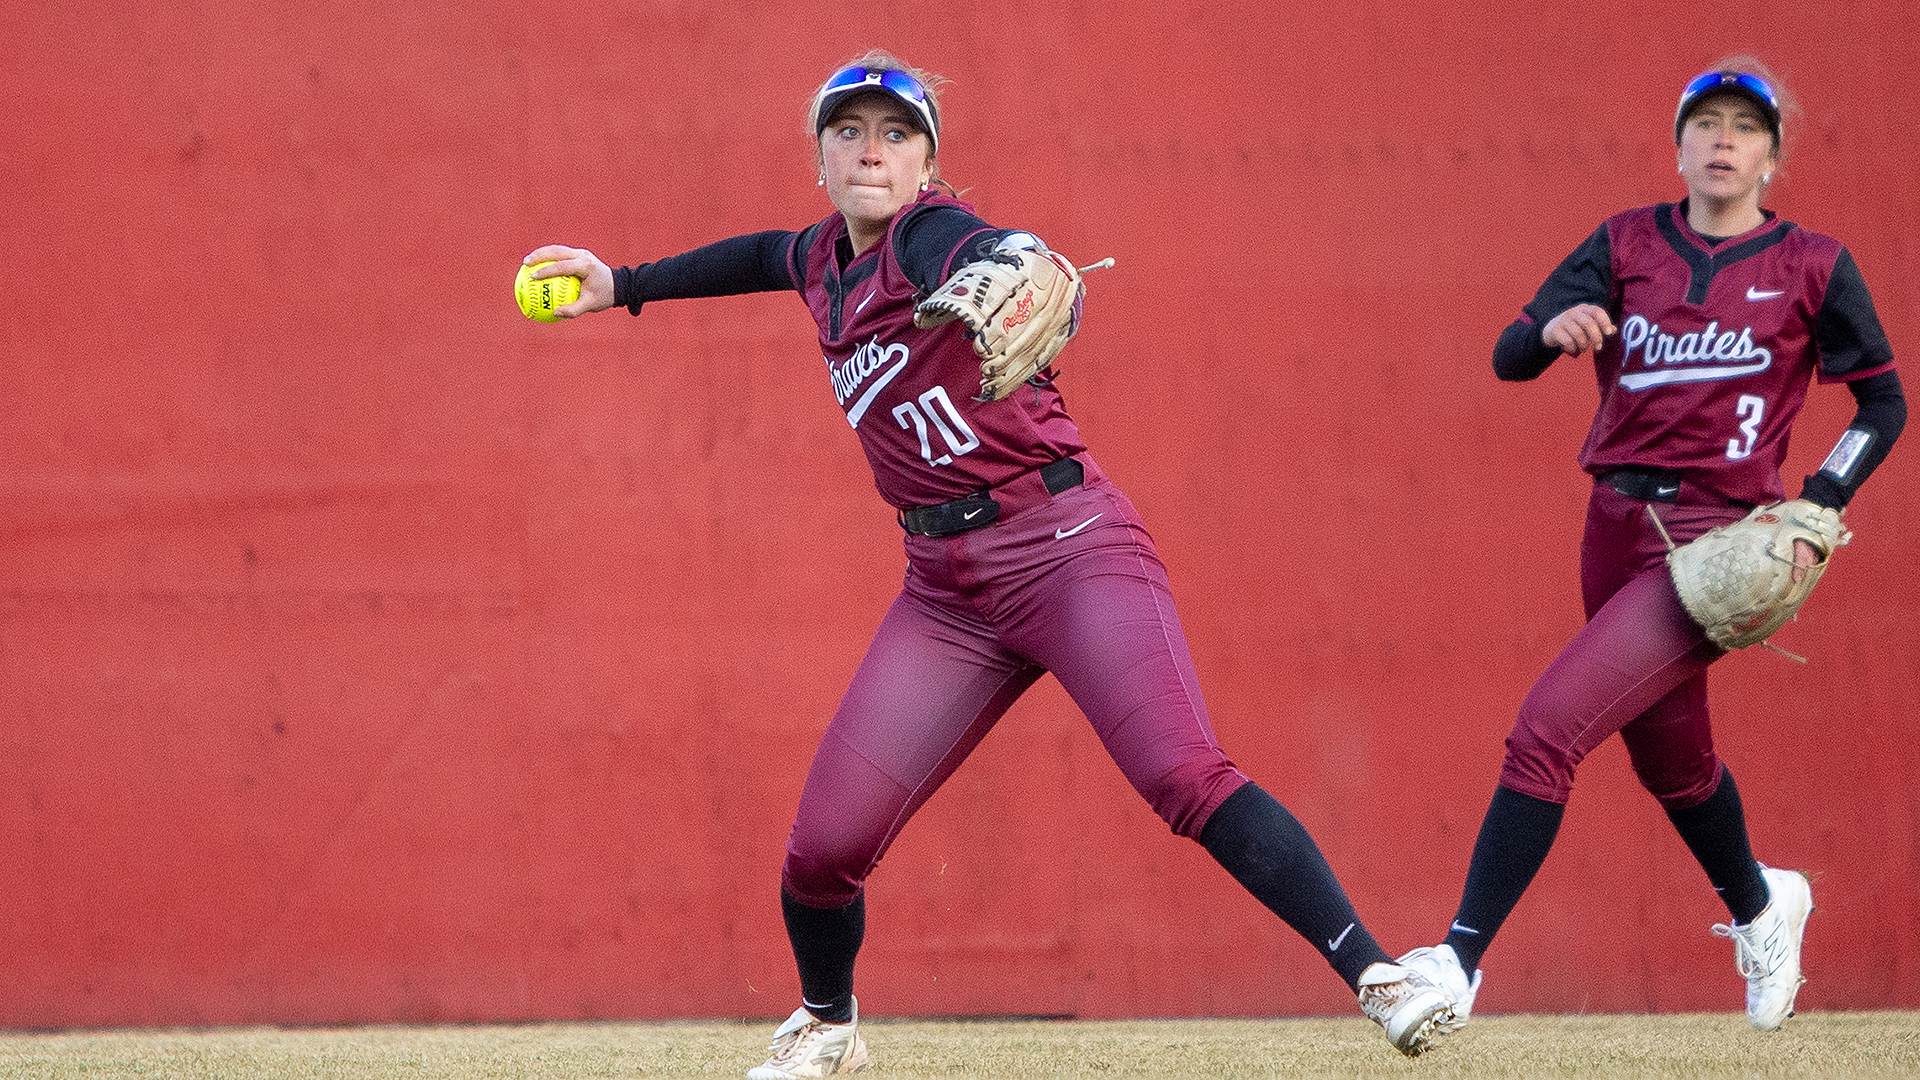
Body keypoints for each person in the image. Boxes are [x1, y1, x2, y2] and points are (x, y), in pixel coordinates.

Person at [522, 50, 1454, 1077]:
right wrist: (625, 287)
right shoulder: (816, 259)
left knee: (1182, 776)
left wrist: (1014, 261)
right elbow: (752, 257)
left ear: (928, 163)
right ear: (820, 159)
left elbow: (996, 247)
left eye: (895, 134)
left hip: (1067, 549)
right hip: (946, 593)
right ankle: (827, 1026)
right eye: (848, 132)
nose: (870, 150)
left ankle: (1381, 976)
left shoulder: (930, 234)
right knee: (823, 851)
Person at [1395, 58, 1905, 1037]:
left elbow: (1883, 400)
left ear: (1772, 155)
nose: (1722, 141)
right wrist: (1553, 331)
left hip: (1712, 542)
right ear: (1679, 146)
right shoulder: (1628, 243)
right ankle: (1763, 905)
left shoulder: (1813, 264)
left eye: (1744, 128)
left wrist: (1825, 495)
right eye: (1705, 124)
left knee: (1547, 731)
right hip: (1614, 525)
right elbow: (1509, 357)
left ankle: (1454, 964)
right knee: (1675, 766)